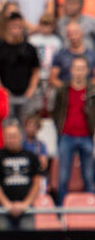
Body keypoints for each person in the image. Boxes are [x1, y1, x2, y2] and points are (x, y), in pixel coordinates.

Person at [52, 55, 95, 202]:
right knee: (63, 177)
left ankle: (91, 211)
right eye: (76, 68)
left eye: (82, 68)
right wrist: (59, 128)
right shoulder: (63, 90)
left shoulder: (92, 91)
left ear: (87, 71)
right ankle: (60, 213)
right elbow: (56, 111)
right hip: (67, 136)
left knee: (89, 176)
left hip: (87, 137)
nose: (79, 72)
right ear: (71, 70)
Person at [0, 120, 41, 229]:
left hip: (27, 207)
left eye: (14, 136)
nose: (11, 140)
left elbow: (37, 183)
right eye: (8, 136)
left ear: (21, 137)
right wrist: (6, 203)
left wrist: (25, 204)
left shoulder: (31, 156)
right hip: (3, 208)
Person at [0, 13, 40, 119]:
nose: (16, 30)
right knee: (8, 128)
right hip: (7, 95)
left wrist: (31, 90)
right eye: (13, 27)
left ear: (23, 28)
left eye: (19, 27)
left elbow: (36, 71)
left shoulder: (30, 49)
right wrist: (2, 90)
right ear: (7, 27)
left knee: (27, 125)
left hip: (26, 95)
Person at [50, 21, 95, 88]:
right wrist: (67, 90)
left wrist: (84, 89)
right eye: (71, 34)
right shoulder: (60, 55)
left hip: (87, 94)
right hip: (66, 94)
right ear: (67, 36)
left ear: (81, 33)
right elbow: (53, 79)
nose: (73, 37)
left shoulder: (92, 55)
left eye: (76, 33)